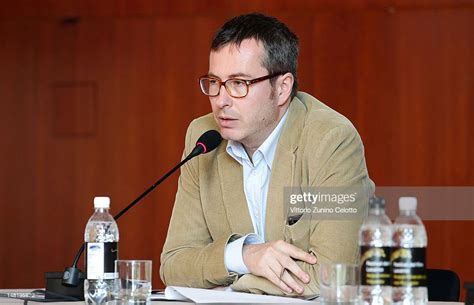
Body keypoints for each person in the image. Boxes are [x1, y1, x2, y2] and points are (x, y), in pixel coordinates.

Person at [160, 13, 374, 296]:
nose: (221, 100)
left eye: (239, 83)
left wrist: (235, 281)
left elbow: (332, 276)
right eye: (214, 82)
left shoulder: (330, 140)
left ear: (282, 88)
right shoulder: (202, 137)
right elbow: (174, 264)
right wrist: (246, 256)